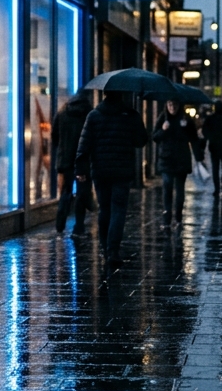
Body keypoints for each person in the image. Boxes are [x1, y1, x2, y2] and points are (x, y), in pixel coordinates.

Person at [74, 90, 148, 265]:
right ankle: (113, 250)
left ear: (104, 94)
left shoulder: (94, 116)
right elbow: (141, 141)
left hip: (100, 171)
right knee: (119, 209)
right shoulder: (130, 115)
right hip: (122, 171)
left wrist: (81, 169)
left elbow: (84, 144)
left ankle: (104, 248)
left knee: (105, 209)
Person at [153, 99, 199, 226]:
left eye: (175, 104)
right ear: (166, 105)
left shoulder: (186, 119)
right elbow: (155, 137)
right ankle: (167, 217)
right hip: (166, 159)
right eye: (170, 104)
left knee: (180, 189)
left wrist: (185, 128)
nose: (172, 107)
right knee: (167, 187)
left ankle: (178, 216)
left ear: (180, 105)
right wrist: (163, 129)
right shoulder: (163, 118)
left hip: (181, 159)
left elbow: (193, 138)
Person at [52, 92, 93, 234]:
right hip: (83, 161)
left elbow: (54, 136)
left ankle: (60, 223)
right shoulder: (89, 114)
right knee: (82, 193)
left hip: (65, 159)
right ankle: (79, 226)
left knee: (66, 191)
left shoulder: (62, 113)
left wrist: (63, 148)